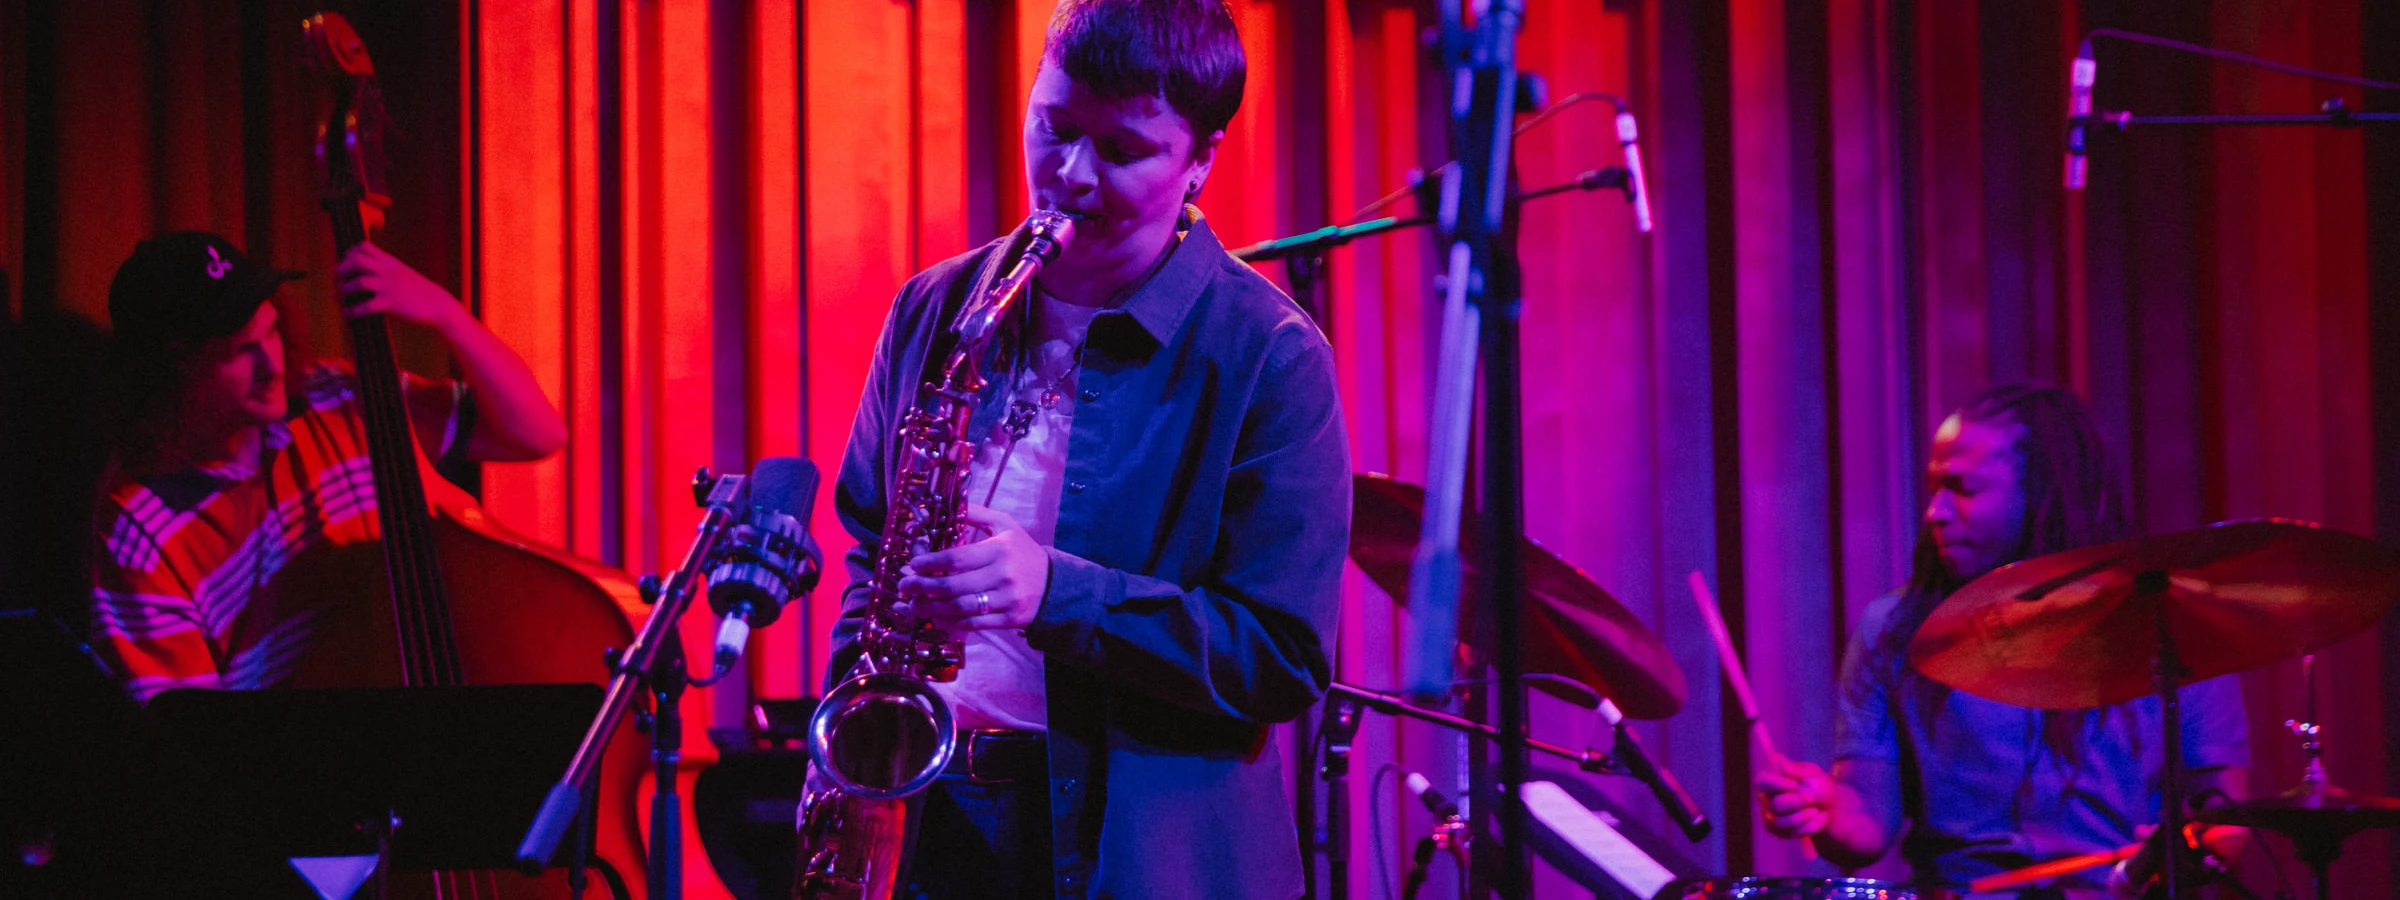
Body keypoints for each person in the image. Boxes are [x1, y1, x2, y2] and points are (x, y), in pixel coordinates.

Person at [819, 1, 1349, 898]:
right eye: (1053, 128)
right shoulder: (935, 309)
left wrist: (1056, 593)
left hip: (1144, 856)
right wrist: (852, 769)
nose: (1070, 174)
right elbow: (872, 555)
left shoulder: (1271, 354)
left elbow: (1282, 655)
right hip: (928, 818)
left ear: (1201, 161)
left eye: (1122, 149)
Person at [1755, 384, 2249, 898]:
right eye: (1933, 490)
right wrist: (1825, 808)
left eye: (1962, 489)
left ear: (2040, 490)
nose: (1935, 513)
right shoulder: (1893, 629)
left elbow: (2226, 820)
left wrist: (2187, 854)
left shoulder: (2167, 623)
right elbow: (1865, 825)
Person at [89, 230, 566, 702]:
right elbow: (190, 738)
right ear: (177, 376)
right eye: (238, 353)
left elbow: (537, 433)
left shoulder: (339, 396)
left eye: (271, 331)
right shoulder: (137, 525)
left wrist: (446, 313)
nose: (271, 363)